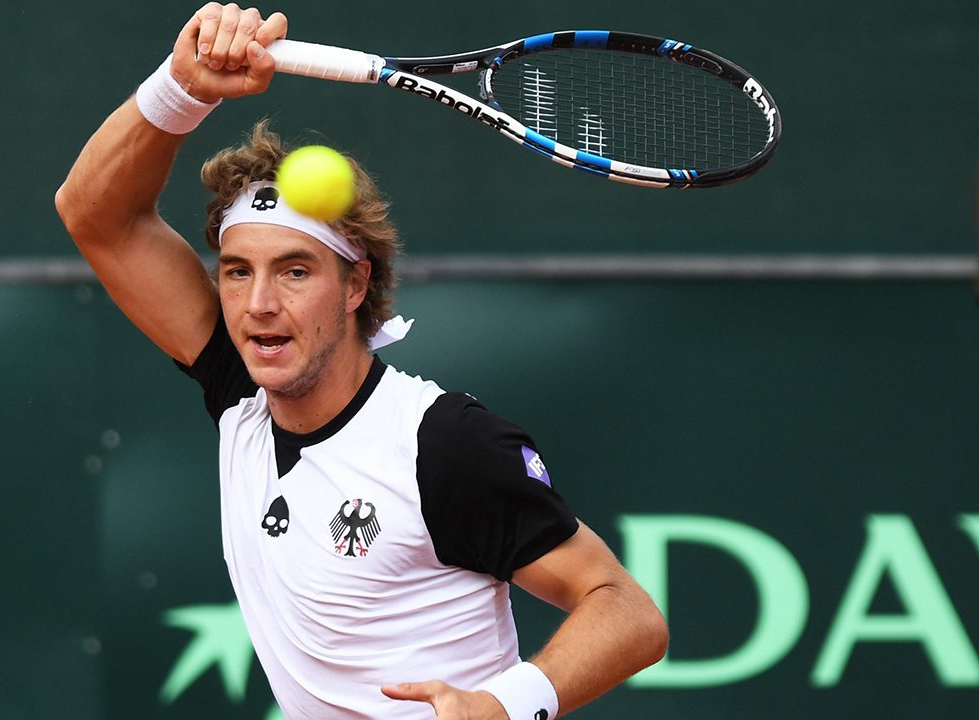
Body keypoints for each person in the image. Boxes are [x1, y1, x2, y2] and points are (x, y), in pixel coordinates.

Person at [55, 5, 668, 719]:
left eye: (293, 271)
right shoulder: (239, 385)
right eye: (235, 271)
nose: (257, 304)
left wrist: (502, 705)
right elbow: (95, 213)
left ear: (355, 284)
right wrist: (183, 87)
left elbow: (627, 611)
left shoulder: (443, 445)